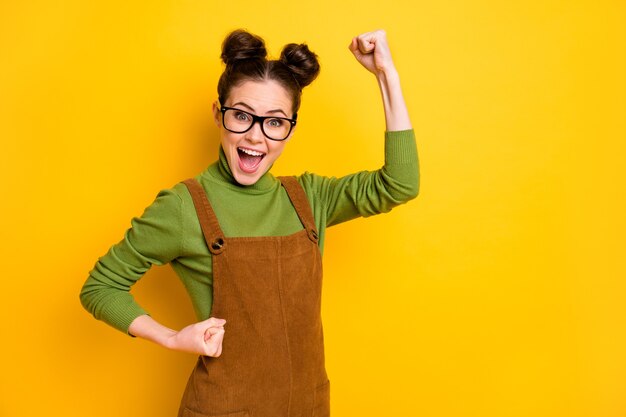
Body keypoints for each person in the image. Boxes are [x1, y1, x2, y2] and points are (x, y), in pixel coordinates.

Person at [80, 28, 419, 417]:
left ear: (291, 128)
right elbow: (100, 287)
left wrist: (385, 74)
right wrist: (173, 338)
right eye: (241, 116)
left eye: (274, 122)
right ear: (217, 114)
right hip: (223, 407)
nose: (256, 137)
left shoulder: (310, 198)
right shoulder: (183, 207)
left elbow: (400, 183)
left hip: (308, 406)